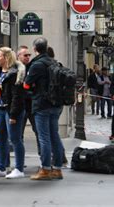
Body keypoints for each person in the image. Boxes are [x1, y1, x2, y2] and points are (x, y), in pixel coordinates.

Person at [24, 37, 64, 181]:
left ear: (35, 49)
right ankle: (58, 168)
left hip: (41, 104)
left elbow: (26, 85)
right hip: (56, 104)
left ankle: (46, 169)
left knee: (44, 137)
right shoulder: (54, 62)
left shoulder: (37, 65)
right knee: (55, 135)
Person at [0, 47, 26, 179]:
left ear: (6, 58)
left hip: (10, 110)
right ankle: (1, 167)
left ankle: (19, 169)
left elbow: (17, 96)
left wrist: (14, 115)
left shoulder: (14, 73)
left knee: (15, 139)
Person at [17, 45, 39, 154]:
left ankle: (42, 157)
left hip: (31, 104)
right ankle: (20, 160)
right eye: (25, 55)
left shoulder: (32, 68)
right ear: (18, 56)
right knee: (18, 133)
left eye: (29, 55)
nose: (28, 57)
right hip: (20, 105)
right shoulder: (16, 69)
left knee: (38, 131)